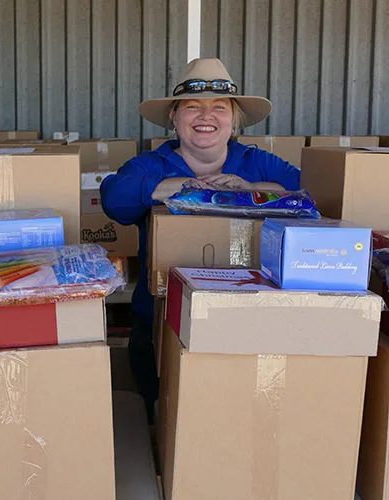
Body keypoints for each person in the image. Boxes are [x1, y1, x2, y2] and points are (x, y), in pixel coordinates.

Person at [100, 58, 300, 420]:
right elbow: (115, 198)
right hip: (160, 321)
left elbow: (314, 194)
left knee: (229, 420)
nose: (205, 116)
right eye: (192, 107)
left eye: (218, 108)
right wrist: (176, 188)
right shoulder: (152, 164)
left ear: (234, 120)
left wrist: (252, 190)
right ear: (174, 118)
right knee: (160, 418)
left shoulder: (256, 163)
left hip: (248, 318)